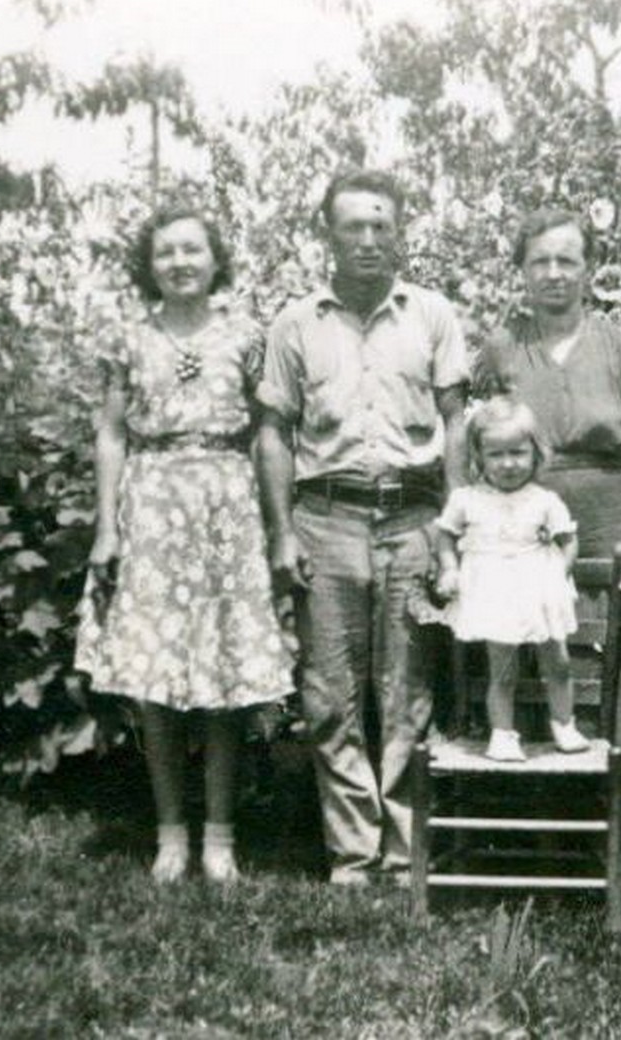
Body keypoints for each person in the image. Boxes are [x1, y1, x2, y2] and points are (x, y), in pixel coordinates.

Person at [255, 169, 469, 885]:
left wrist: (451, 530)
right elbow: (273, 432)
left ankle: (405, 854)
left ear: (398, 232)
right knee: (330, 694)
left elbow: (456, 423)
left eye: (382, 226)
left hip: (413, 518)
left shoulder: (432, 314)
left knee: (407, 693)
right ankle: (353, 855)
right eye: (354, 226)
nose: (369, 240)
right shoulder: (295, 323)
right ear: (329, 234)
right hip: (326, 520)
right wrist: (282, 533)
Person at [75, 205, 294, 884]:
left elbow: (267, 434)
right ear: (150, 266)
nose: (180, 262)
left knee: (223, 679)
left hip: (226, 509)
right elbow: (112, 434)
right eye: (165, 252)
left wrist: (276, 527)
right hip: (152, 508)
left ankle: (220, 837)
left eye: (192, 249)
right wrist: (107, 528)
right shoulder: (129, 337)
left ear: (215, 258)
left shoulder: (248, 336)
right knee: (156, 682)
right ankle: (171, 834)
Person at [472, 208, 621, 758]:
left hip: (612, 520)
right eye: (540, 262)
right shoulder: (502, 347)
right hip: (522, 526)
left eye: (567, 260)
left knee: (617, 650)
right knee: (524, 642)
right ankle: (529, 778)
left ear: (590, 267)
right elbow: (480, 441)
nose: (554, 273)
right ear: (521, 270)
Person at [434, 397, 589, 762]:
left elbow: (569, 542)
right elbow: (445, 537)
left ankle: (564, 724)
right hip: (495, 595)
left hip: (539, 592)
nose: (507, 463)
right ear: (478, 455)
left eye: (518, 452)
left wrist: (556, 578)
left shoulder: (545, 501)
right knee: (502, 670)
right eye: (496, 454)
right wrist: (450, 568)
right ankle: (503, 734)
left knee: (558, 663)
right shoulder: (466, 500)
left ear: (536, 453)